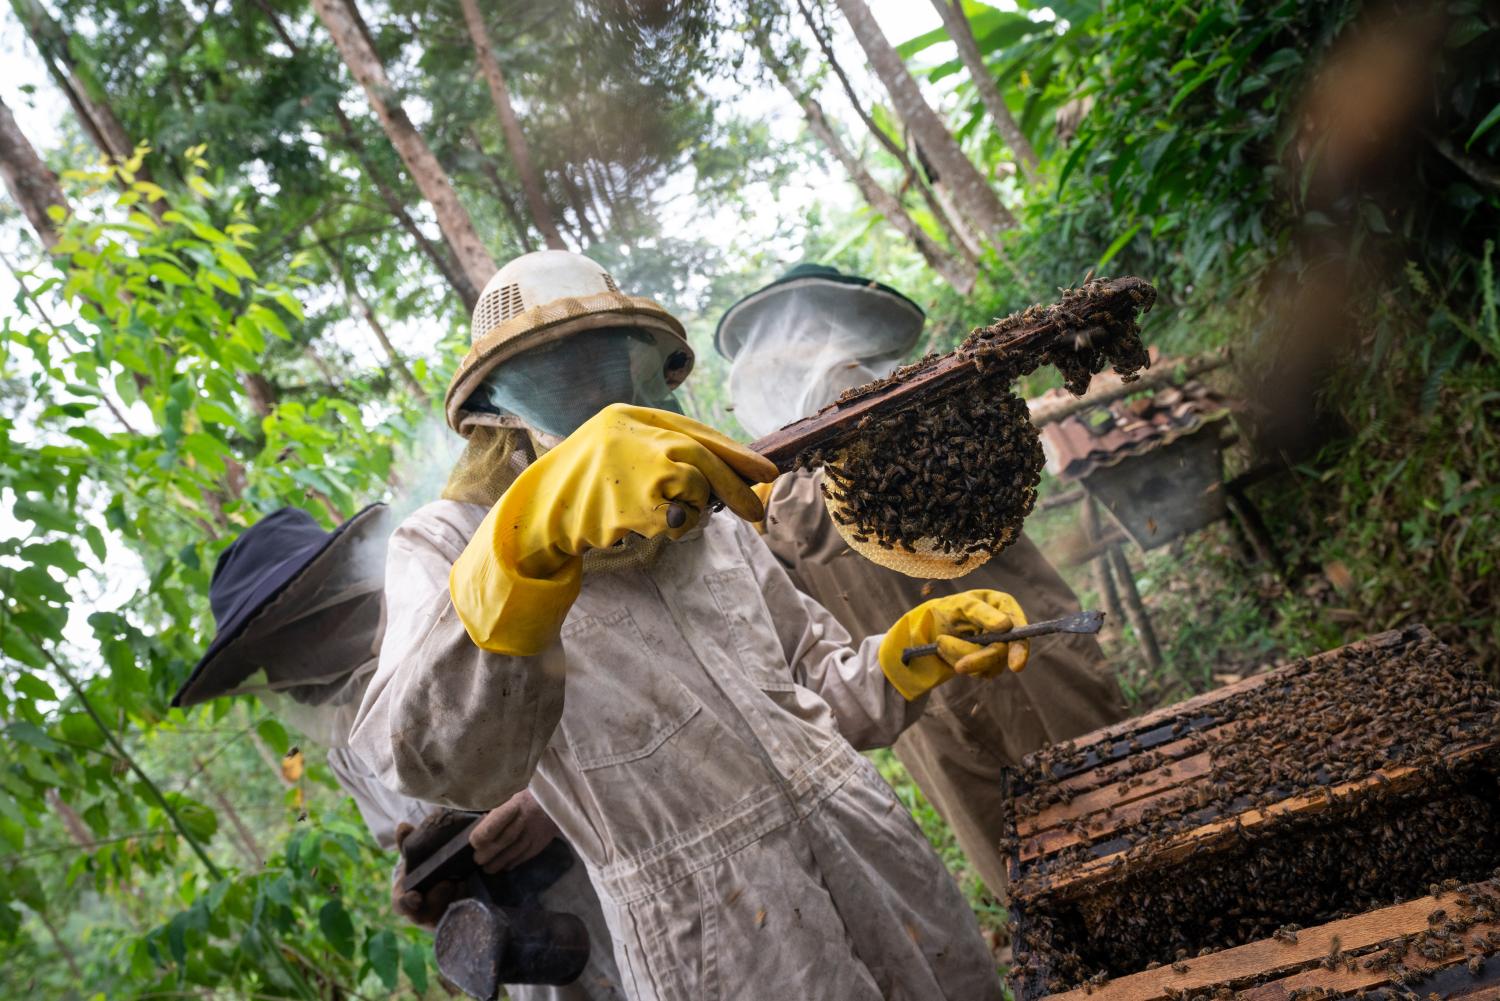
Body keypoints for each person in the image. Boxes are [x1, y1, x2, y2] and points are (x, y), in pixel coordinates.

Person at [349, 249, 1045, 1000]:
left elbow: (811, 682)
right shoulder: (453, 541)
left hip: (871, 849)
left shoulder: (696, 509)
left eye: (608, 357)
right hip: (717, 935)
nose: (595, 388)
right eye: (559, 368)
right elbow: (427, 753)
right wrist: (523, 550)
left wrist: (907, 655)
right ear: (497, 403)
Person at [718, 264, 1128, 900]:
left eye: (827, 338)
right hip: (924, 700)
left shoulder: (945, 416)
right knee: (1031, 871)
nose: (820, 359)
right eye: (797, 344)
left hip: (1033, 649)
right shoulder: (775, 502)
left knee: (1126, 798)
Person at [172, 504, 625, 1000]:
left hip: (628, 881)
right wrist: (414, 888)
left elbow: (624, 707)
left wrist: (553, 806)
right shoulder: (348, 751)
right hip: (534, 957)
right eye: (266, 659)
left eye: (285, 643)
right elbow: (404, 837)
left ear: (328, 598)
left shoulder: (457, 615)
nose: (284, 671)